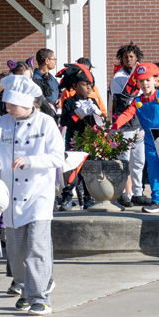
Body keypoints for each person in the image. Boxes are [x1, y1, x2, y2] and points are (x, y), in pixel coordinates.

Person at [0, 75, 64, 315]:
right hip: (10, 195)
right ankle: (25, 288)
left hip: (38, 194)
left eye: (12, 105)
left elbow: (58, 157)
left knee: (37, 246)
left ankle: (40, 296)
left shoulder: (46, 123)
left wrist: (30, 161)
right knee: (16, 249)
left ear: (29, 104)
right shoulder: (3, 123)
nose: (7, 108)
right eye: (6, 104)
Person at [112, 63, 159, 213]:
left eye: (147, 80)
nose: (144, 84)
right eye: (140, 81)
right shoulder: (137, 101)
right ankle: (157, 201)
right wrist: (114, 127)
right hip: (150, 140)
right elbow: (126, 114)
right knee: (153, 171)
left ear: (155, 80)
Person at [58, 63, 103, 210]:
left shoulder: (93, 101)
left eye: (90, 85)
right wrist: (78, 113)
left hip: (90, 139)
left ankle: (89, 198)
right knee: (72, 169)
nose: (88, 88)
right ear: (75, 85)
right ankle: (67, 199)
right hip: (74, 138)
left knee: (89, 169)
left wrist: (98, 116)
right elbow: (64, 121)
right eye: (84, 84)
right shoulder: (69, 101)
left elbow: (100, 124)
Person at [110, 42, 149, 208]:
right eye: (126, 57)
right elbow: (119, 102)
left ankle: (138, 193)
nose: (129, 59)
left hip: (139, 124)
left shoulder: (143, 76)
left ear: (137, 57)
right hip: (124, 125)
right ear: (122, 59)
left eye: (132, 56)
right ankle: (122, 193)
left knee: (139, 161)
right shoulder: (118, 77)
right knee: (123, 161)